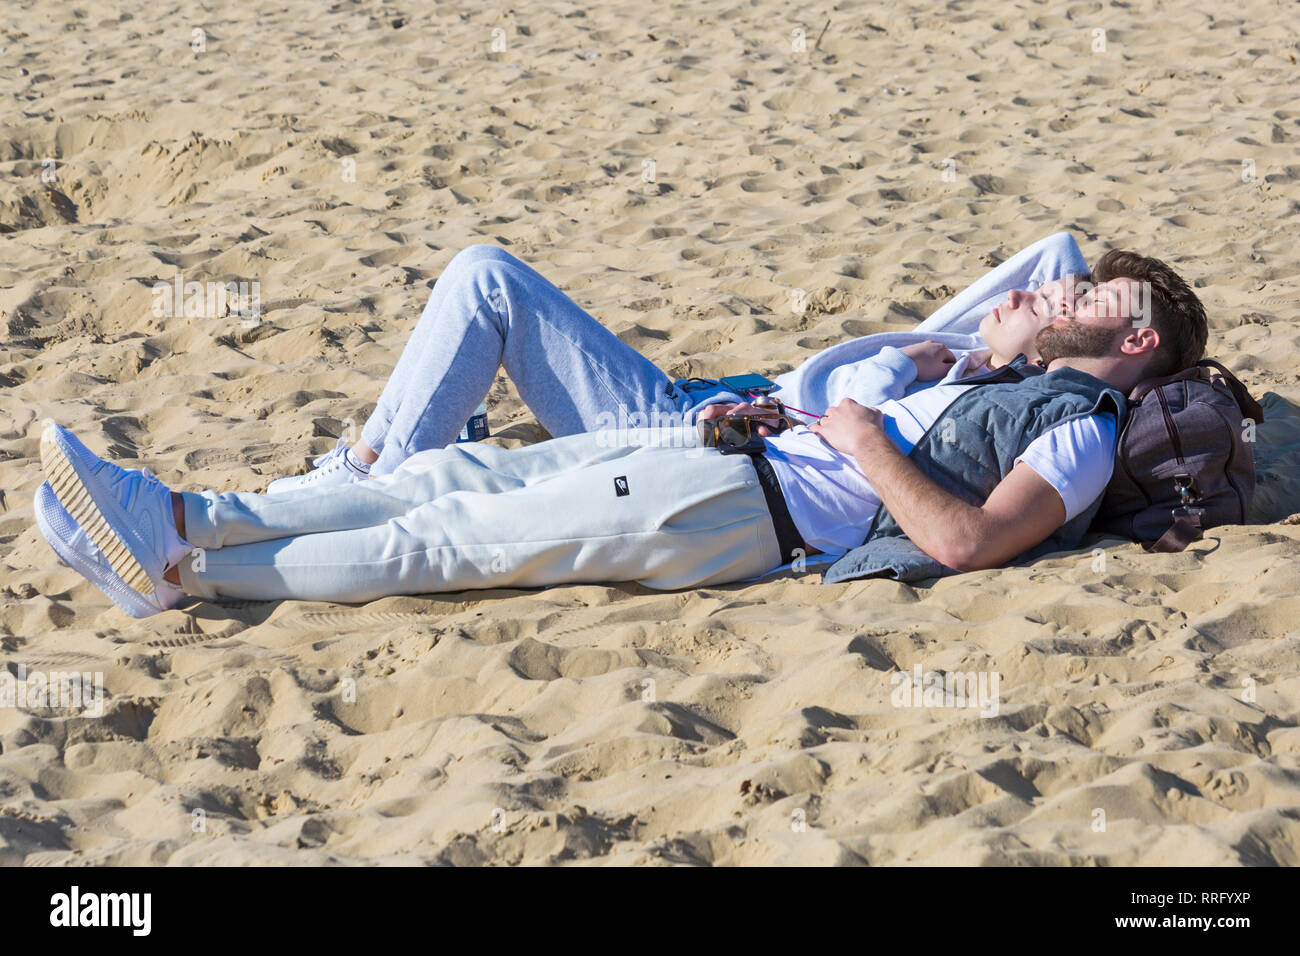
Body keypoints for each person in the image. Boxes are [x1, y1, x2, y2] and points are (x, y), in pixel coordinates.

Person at [32, 248, 1208, 618]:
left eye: (1098, 297)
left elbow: (964, 542)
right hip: (725, 450)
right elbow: (866, 415)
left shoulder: (1080, 429)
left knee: (446, 540)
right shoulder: (996, 378)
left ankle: (183, 562)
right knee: (448, 470)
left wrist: (861, 440)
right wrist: (800, 408)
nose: (1070, 292)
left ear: (1139, 339)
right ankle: (181, 522)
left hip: (747, 512)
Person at [266, 232, 1091, 491]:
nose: (1023, 294)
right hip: (696, 404)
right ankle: (371, 454)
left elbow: (851, 423)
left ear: (1051, 351)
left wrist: (915, 359)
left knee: (487, 279)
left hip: (693, 437)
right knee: (485, 280)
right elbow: (1057, 247)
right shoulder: (972, 343)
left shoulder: (966, 379)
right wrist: (1074, 308)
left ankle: (368, 471)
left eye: (1045, 305)